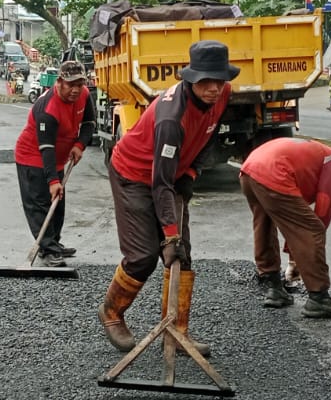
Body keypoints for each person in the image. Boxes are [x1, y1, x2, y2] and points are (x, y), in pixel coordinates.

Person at [98, 40, 236, 356]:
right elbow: (159, 184)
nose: (214, 88)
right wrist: (169, 235)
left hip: (170, 175)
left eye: (219, 80)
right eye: (206, 81)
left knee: (181, 256)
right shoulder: (172, 117)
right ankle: (111, 312)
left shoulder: (223, 95)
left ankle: (176, 332)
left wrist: (190, 175)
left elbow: (209, 137)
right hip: (132, 174)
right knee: (144, 254)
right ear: (191, 79)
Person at [240, 138, 331, 317]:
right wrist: (298, 256)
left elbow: (293, 220)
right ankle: (319, 298)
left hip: (249, 170)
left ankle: (273, 287)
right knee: (313, 229)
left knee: (264, 223)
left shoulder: (319, 154)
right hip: (275, 172)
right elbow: (324, 207)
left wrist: (294, 254)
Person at [13, 61, 97, 265]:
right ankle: (47, 248)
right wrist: (52, 181)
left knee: (58, 203)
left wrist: (80, 144)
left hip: (59, 158)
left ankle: (53, 243)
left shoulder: (85, 95)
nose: (76, 89)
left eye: (79, 83)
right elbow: (46, 147)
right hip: (33, 156)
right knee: (40, 203)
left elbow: (89, 123)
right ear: (59, 82)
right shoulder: (48, 108)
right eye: (70, 84)